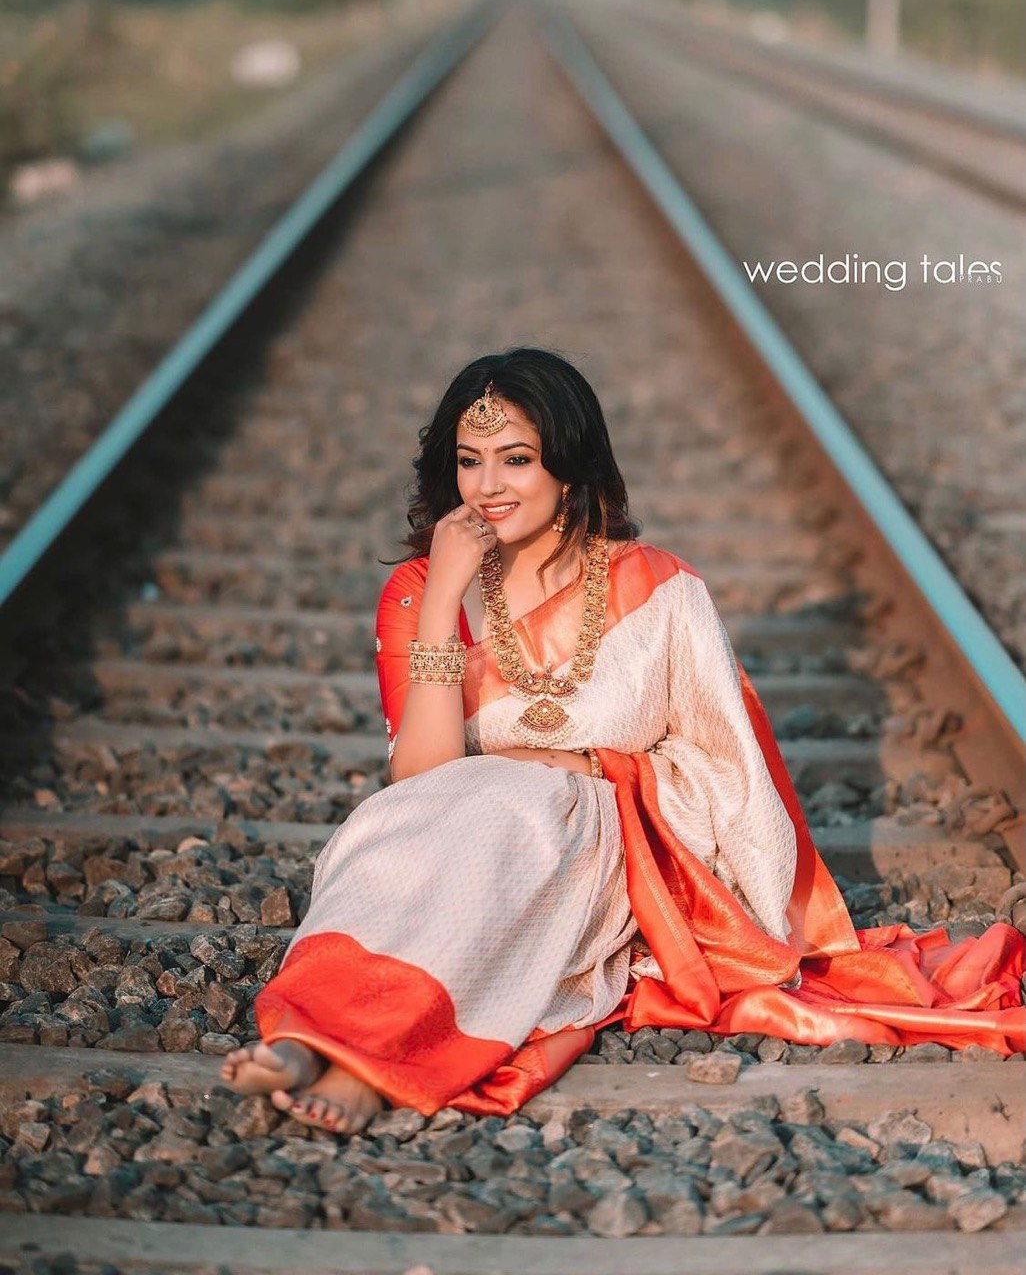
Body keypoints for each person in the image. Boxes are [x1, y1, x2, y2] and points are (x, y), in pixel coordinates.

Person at [221, 347, 1026, 1134]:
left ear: (568, 466)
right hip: (454, 824)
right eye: (470, 462)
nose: (488, 486)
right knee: (379, 831)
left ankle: (367, 1064)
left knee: (512, 823)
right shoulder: (422, 588)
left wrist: (579, 766)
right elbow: (422, 776)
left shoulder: (660, 588)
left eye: (516, 459)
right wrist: (443, 599)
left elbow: (730, 767)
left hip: (599, 842)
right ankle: (306, 1033)